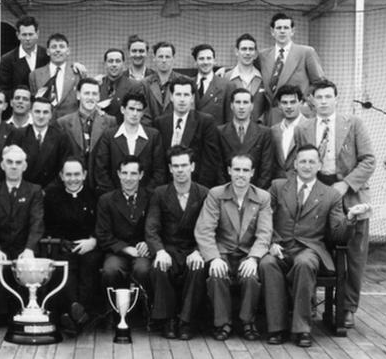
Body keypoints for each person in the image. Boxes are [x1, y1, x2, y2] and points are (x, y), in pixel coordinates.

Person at [294, 79, 374, 328]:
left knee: (353, 256)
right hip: (317, 199)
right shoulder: (303, 128)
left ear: (336, 98)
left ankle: (347, 307)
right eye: (319, 97)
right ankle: (309, 304)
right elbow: (300, 165)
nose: (324, 101)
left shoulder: (354, 124)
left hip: (350, 196)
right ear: (312, 100)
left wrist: (345, 184)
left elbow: (369, 160)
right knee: (314, 250)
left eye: (329, 97)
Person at [259, 144, 349, 347]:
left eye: (311, 162)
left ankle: (302, 329)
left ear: (319, 165)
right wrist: (271, 242)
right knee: (267, 264)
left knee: (305, 263)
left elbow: (337, 235)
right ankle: (277, 328)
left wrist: (350, 220)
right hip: (280, 247)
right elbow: (263, 218)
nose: (307, 166)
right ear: (295, 165)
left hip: (310, 249)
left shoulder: (331, 195)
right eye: (303, 161)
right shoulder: (278, 187)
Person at [194, 154, 272, 342]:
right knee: (217, 275)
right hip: (223, 252)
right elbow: (205, 229)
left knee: (251, 277)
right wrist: (213, 258)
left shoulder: (262, 197)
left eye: (245, 170)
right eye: (237, 169)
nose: (241, 174)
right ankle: (223, 323)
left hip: (247, 252)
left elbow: (264, 232)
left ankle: (248, 322)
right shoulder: (216, 194)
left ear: (252, 173)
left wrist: (254, 258)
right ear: (229, 171)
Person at [145, 146, 209, 340]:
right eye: (176, 166)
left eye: (184, 165)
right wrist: (159, 251)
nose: (180, 170)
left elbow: (210, 229)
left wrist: (199, 251)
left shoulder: (204, 193)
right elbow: (151, 228)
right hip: (169, 248)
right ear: (170, 169)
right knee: (159, 268)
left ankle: (186, 321)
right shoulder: (160, 193)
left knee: (198, 268)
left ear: (192, 167)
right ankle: (168, 320)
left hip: (193, 248)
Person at [0, 145, 44, 324]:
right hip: (0, 248)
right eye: (9, 162)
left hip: (24, 249)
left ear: (25, 166)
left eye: (18, 163)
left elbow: (37, 223)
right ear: (2, 165)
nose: (14, 166)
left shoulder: (34, 191)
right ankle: (1, 317)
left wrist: (30, 248)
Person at [42, 158, 102, 335]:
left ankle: (73, 313)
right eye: (68, 174)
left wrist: (94, 241)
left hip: (90, 245)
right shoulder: (52, 197)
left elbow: (103, 225)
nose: (73, 179)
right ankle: (78, 313)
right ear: (61, 176)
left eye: (77, 174)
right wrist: (61, 242)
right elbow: (47, 226)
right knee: (64, 266)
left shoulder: (95, 196)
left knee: (89, 265)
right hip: (63, 246)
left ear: (84, 175)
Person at [96, 157, 152, 301]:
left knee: (143, 270)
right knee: (111, 270)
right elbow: (103, 235)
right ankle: (111, 315)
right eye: (124, 173)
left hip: (142, 251)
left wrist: (147, 243)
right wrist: (126, 249)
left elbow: (156, 227)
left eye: (133, 174)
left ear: (141, 175)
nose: (128, 178)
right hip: (117, 251)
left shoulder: (151, 198)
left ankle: (142, 314)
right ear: (119, 174)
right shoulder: (106, 200)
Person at [153, 76, 222, 188]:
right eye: (178, 94)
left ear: (192, 98)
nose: (182, 99)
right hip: (166, 189)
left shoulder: (205, 122)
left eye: (186, 95)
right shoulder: (160, 123)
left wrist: (200, 190)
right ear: (171, 97)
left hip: (195, 188)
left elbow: (210, 162)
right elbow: (158, 162)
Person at [93, 92, 166, 195]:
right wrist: (115, 196)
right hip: (114, 199)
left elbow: (159, 171)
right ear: (123, 110)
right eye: (131, 109)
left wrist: (144, 196)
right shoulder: (109, 136)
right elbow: (101, 170)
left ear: (143, 113)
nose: (135, 113)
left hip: (145, 199)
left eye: (139, 110)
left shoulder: (153, 136)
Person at [260, 13, 325, 125]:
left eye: (286, 28)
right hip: (272, 116)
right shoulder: (263, 55)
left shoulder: (306, 52)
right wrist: (224, 70)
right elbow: (247, 69)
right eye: (279, 28)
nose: (282, 31)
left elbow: (320, 82)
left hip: (298, 114)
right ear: (272, 31)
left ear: (292, 31)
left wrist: (306, 101)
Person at [57, 77, 117, 189]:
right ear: (78, 95)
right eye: (87, 93)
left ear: (99, 96)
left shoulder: (110, 122)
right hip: (72, 186)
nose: (90, 98)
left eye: (94, 94)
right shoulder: (63, 123)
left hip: (100, 187)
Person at [8, 97, 73, 189]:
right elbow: (12, 166)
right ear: (31, 112)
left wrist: (48, 190)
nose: (41, 116)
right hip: (23, 191)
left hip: (51, 192)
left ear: (51, 115)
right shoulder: (18, 135)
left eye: (45, 112)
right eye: (37, 112)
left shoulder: (61, 137)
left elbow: (64, 168)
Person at [217, 88, 275, 189]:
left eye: (245, 102)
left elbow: (266, 169)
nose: (242, 107)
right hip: (227, 192)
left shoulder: (264, 133)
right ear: (231, 105)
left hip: (255, 192)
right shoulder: (220, 132)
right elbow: (218, 168)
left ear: (252, 106)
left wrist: (255, 193)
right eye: (238, 102)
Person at [29, 33, 83, 119]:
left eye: (61, 47)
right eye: (54, 47)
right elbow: (33, 103)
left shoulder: (77, 74)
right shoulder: (35, 75)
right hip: (44, 123)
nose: (58, 50)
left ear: (68, 51)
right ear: (48, 51)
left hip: (69, 125)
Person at [0, 16, 49, 97]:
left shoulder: (47, 55)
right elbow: (2, 89)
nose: (27, 38)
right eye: (24, 35)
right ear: (18, 35)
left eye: (30, 34)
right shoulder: (7, 60)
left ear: (37, 34)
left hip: (43, 107)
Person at [224, 34, 266, 123]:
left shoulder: (264, 77)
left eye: (251, 49)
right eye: (244, 49)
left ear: (255, 53)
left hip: (258, 131)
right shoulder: (226, 77)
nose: (247, 53)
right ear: (236, 51)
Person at [98, 48, 146, 124]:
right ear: (105, 64)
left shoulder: (134, 86)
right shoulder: (97, 84)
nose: (114, 64)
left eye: (118, 61)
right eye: (110, 61)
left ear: (123, 64)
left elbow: (140, 114)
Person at [144, 41, 188, 120]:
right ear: (154, 58)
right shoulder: (144, 84)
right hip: (151, 130)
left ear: (173, 58)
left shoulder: (185, 82)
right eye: (160, 57)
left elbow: (189, 112)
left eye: (167, 57)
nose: (164, 60)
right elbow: (144, 113)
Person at [270, 85, 307, 178]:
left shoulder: (309, 127)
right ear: (279, 105)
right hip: (278, 184)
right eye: (284, 103)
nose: (289, 106)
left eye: (293, 102)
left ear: (301, 103)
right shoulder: (273, 130)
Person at [192, 44, 230, 125]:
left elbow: (229, 121)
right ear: (195, 62)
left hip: (215, 136)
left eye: (209, 58)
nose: (205, 62)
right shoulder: (188, 84)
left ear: (214, 61)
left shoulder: (227, 86)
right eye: (201, 59)